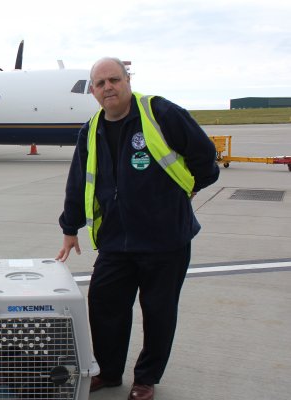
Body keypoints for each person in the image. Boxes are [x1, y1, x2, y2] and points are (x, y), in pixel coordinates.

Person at [56, 57, 219, 400]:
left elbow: (206, 158)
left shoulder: (159, 113)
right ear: (94, 91)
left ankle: (146, 378)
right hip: (116, 240)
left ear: (127, 80)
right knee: (103, 306)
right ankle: (109, 372)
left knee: (159, 313)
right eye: (99, 84)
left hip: (166, 241)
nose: (107, 88)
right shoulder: (92, 129)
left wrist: (186, 191)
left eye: (113, 80)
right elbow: (77, 182)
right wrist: (70, 228)